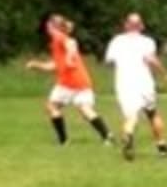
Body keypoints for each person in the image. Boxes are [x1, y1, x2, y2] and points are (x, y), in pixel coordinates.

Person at [26, 14, 112, 146]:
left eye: (48, 25)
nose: (47, 28)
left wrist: (70, 57)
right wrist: (36, 65)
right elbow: (54, 66)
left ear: (52, 26)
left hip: (70, 82)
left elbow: (71, 44)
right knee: (84, 109)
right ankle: (106, 135)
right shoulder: (56, 42)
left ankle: (63, 140)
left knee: (53, 106)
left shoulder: (59, 37)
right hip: (78, 81)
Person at [104, 13, 167, 160]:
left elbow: (109, 62)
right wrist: (164, 73)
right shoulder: (147, 41)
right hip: (144, 83)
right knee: (152, 114)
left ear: (126, 25)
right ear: (141, 26)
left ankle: (128, 134)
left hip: (124, 84)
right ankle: (162, 147)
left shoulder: (116, 41)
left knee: (131, 116)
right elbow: (150, 59)